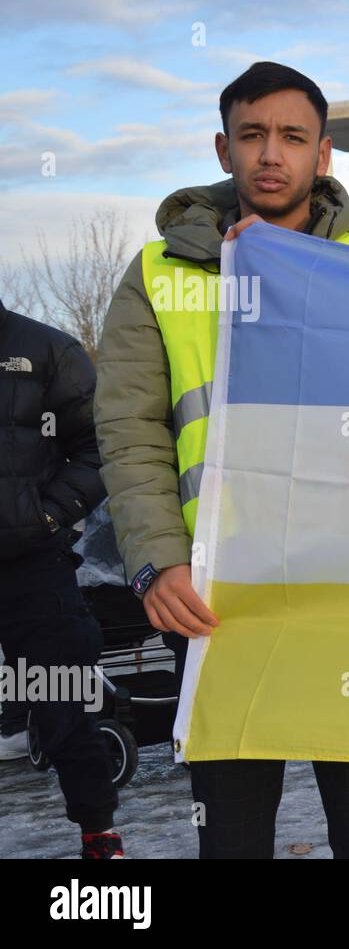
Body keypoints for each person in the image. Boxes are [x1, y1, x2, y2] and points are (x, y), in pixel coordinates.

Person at [95, 62, 349, 859]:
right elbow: (129, 429)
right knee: (233, 829)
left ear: (324, 155)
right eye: (252, 135)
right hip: (215, 595)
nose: (271, 153)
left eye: (292, 137)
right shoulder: (157, 274)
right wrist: (155, 563)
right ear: (224, 146)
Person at [0, 298, 122, 858]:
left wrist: (45, 516)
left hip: (33, 566)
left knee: (64, 704)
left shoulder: (47, 349)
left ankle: (99, 837)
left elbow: (99, 446)